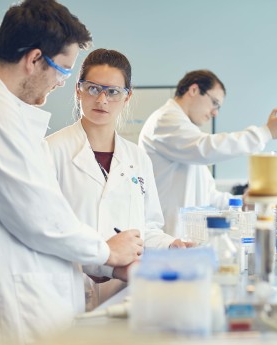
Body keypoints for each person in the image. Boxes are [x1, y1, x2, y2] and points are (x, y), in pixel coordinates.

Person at [0, 1, 142, 343]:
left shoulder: (1, 108)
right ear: (34, 60)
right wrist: (107, 252)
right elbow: (38, 216)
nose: (60, 83)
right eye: (64, 71)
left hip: (26, 302)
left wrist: (108, 262)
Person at [46, 48, 191, 311]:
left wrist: (171, 245)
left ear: (127, 97)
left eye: (112, 91)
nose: (102, 99)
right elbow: (48, 231)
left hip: (125, 292)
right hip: (70, 290)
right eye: (92, 88)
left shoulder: (137, 157)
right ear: (77, 90)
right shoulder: (51, 151)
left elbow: (146, 229)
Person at [138, 70, 277, 236]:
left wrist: (243, 203)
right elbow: (206, 148)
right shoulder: (164, 120)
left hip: (184, 239)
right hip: (165, 239)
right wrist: (265, 132)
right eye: (214, 103)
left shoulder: (187, 137)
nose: (215, 112)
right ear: (194, 90)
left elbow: (209, 197)